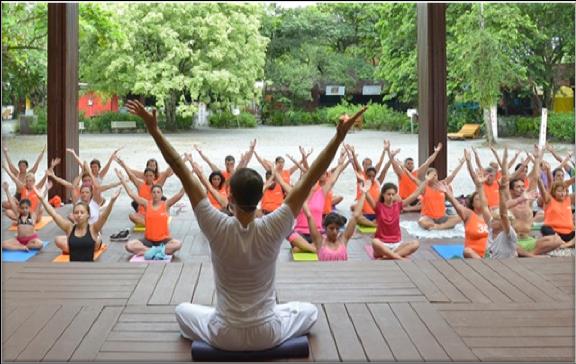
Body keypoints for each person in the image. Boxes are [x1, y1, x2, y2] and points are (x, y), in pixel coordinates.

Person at [126, 98, 366, 351]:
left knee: (182, 311)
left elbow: (180, 168)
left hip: (224, 333)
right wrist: (339, 136)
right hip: (267, 333)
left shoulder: (215, 224)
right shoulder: (274, 226)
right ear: (260, 197)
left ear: (229, 199)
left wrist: (154, 130)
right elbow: (309, 178)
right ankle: (273, 312)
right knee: (309, 311)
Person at [493, 145, 561, 256]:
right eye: (518, 187)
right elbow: (504, 177)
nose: (522, 188)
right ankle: (531, 256)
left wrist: (537, 158)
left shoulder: (528, 200)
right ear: (511, 190)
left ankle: (531, 254)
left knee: (556, 240)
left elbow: (535, 177)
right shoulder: (509, 200)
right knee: (513, 247)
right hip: (514, 242)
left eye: (522, 186)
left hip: (528, 239)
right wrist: (505, 156)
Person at [36, 185, 121, 261]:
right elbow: (54, 215)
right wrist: (42, 199)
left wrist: (112, 201)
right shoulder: (69, 227)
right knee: (58, 239)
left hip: (88, 269)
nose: (79, 215)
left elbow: (104, 217)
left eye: (82, 212)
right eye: (76, 212)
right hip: (73, 269)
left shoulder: (93, 229)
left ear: (88, 215)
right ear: (73, 215)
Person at [116, 169, 185, 258]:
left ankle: (148, 251)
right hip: (148, 241)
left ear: (161, 194)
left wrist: (188, 176)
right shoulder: (146, 204)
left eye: (158, 192)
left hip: (164, 240)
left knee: (177, 244)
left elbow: (180, 193)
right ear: (151, 194)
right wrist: (122, 179)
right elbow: (131, 193)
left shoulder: (166, 204)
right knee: (129, 245)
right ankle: (155, 251)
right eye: (154, 192)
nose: (156, 194)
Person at [366, 172, 430, 260]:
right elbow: (367, 195)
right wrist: (364, 188)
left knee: (416, 243)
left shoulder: (398, 206)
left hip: (397, 244)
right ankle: (398, 257)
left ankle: (386, 258)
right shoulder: (378, 206)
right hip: (382, 244)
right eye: (388, 194)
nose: (391, 197)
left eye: (393, 194)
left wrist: (427, 180)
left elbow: (415, 194)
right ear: (383, 194)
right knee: (374, 242)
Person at [301, 181, 367, 261]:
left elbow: (355, 216)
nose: (335, 231)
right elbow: (309, 216)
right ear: (325, 228)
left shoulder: (343, 239)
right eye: (331, 228)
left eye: (337, 228)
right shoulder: (319, 241)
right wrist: (305, 195)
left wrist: (364, 192)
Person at [390, 142, 443, 212]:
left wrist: (436, 152)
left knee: (428, 203)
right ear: (404, 165)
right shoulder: (401, 173)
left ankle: (409, 208)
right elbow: (394, 164)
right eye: (408, 163)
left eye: (412, 164)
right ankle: (408, 208)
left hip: (414, 200)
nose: (410, 165)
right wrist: (392, 156)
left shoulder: (416, 173)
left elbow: (427, 162)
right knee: (395, 199)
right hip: (404, 199)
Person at [416, 157, 465, 231]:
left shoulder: (442, 185)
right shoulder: (424, 187)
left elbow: (452, 175)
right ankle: (443, 226)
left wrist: (460, 164)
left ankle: (440, 227)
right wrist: (426, 180)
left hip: (442, 217)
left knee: (460, 217)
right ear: (427, 176)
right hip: (428, 217)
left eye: (435, 175)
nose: (434, 177)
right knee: (422, 222)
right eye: (432, 175)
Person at [1, 182, 44, 251]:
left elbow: (39, 202)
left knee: (40, 244)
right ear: (20, 209)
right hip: (19, 240)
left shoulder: (33, 216)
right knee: (3, 244)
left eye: (26, 208)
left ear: (29, 208)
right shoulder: (18, 216)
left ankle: (26, 246)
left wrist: (45, 190)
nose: (24, 210)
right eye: (22, 208)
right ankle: (21, 247)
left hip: (31, 240)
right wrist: (7, 190)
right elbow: (12, 203)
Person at [538, 179, 575, 250]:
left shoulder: (568, 199)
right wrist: (539, 181)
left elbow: (568, 184)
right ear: (554, 192)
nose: (562, 193)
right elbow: (543, 192)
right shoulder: (549, 199)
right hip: (554, 233)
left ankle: (566, 245)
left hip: (569, 232)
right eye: (559, 191)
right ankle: (564, 243)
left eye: (564, 191)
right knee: (544, 228)